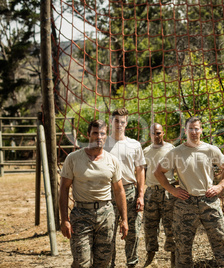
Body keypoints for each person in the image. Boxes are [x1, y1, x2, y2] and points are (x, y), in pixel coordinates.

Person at [154, 117, 224, 268]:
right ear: (185, 131)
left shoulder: (210, 150)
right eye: (190, 128)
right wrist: (172, 190)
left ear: (201, 130)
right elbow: (158, 172)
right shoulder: (176, 152)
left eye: (196, 128)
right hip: (186, 203)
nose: (193, 132)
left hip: (209, 201)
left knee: (221, 240)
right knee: (182, 246)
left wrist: (220, 186)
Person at [59, 119, 128, 268]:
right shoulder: (73, 158)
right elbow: (64, 188)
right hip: (81, 214)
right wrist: (64, 219)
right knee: (81, 262)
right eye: (95, 133)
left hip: (106, 215)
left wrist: (124, 219)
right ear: (88, 135)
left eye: (102, 133)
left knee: (103, 262)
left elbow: (119, 190)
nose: (99, 137)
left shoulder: (112, 161)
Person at [104, 108, 146, 268]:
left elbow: (140, 170)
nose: (119, 124)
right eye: (116, 121)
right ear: (111, 122)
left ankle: (132, 264)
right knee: (108, 234)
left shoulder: (134, 145)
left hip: (129, 191)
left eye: (122, 122)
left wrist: (140, 195)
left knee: (133, 233)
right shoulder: (103, 144)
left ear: (126, 123)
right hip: (108, 193)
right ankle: (110, 264)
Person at [143, 123, 177, 267]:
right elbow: (142, 172)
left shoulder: (171, 149)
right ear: (149, 135)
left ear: (163, 133)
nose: (156, 136)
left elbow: (178, 169)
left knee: (171, 226)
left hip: (168, 191)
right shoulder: (145, 151)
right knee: (150, 226)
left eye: (158, 133)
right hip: (151, 192)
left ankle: (174, 257)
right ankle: (151, 257)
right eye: (153, 133)